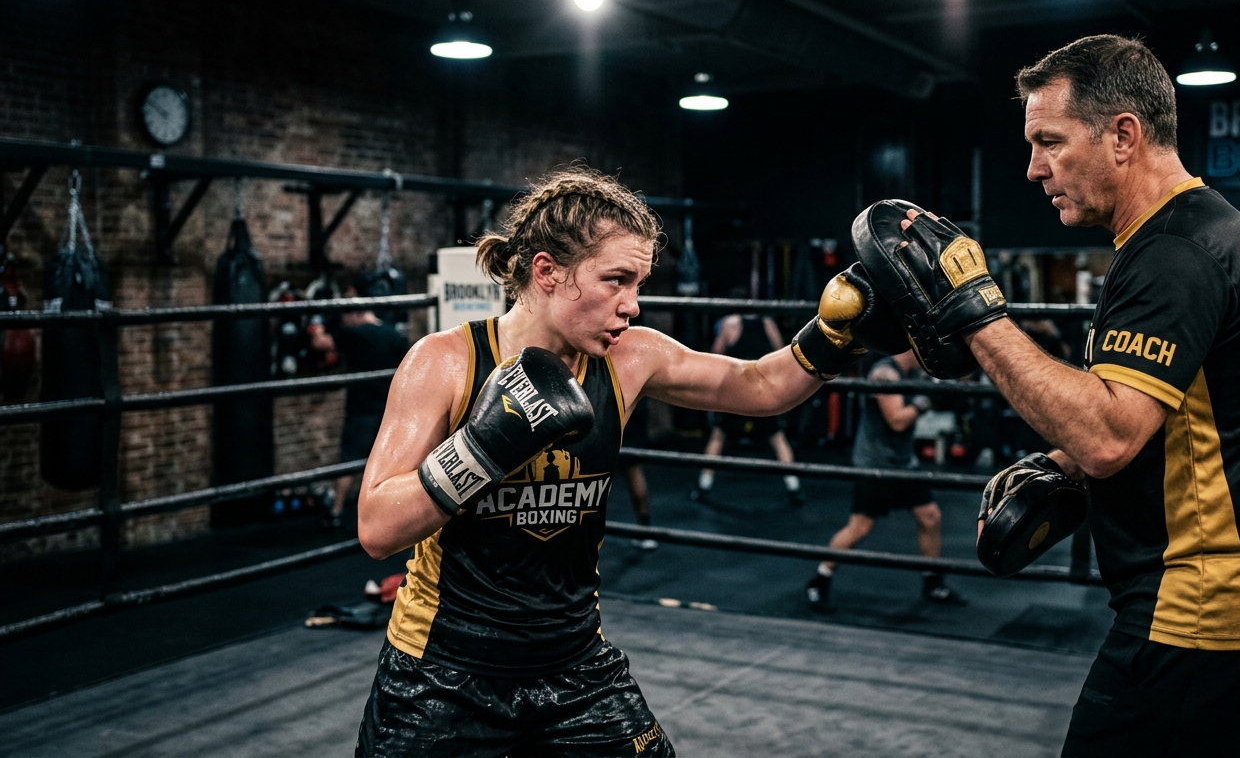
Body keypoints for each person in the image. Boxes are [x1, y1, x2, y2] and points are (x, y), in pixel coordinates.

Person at [864, 35, 1240, 756]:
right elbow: (1189, 412)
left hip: (1203, 608)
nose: (1033, 168)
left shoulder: (1171, 254)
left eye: (1050, 142)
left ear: (1123, 135)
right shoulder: (1210, 225)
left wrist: (974, 311)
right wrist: (1064, 464)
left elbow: (1109, 437)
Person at [353, 166, 899, 756]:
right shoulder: (446, 362)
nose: (632, 305)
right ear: (547, 271)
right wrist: (483, 447)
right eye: (615, 280)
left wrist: (835, 334)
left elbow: (760, 385)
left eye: (637, 284)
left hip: (575, 666)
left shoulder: (629, 359)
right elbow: (378, 529)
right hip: (442, 672)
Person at [805, 350, 965, 609]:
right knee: (860, 527)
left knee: (930, 517)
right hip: (876, 464)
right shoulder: (885, 373)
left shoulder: (915, 373)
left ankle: (933, 583)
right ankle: (820, 579)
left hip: (904, 462)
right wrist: (927, 400)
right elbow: (897, 421)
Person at [693, 305, 804, 506]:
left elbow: (715, 354)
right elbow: (782, 352)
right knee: (777, 438)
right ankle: (794, 488)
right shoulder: (767, 323)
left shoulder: (729, 323)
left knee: (718, 436)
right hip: (760, 389)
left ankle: (703, 487)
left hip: (738, 390)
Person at [325, 294, 412, 528]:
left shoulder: (355, 333)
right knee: (390, 464)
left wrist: (315, 326)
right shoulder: (393, 334)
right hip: (390, 410)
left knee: (349, 461)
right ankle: (393, 516)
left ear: (354, 314)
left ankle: (335, 511)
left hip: (361, 409)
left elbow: (322, 344)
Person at [621, 400, 658, 550]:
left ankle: (644, 530)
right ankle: (644, 530)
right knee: (633, 468)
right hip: (634, 405)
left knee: (594, 470)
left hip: (614, 406)